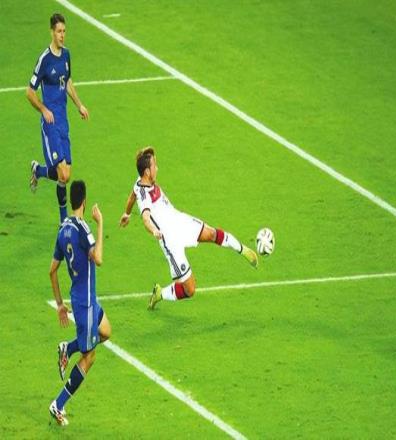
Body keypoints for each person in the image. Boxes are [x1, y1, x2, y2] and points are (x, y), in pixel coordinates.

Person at [119, 147, 258, 309]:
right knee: (190, 290)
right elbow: (145, 218)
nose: (157, 168)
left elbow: (131, 196)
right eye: (154, 166)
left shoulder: (140, 180)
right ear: (147, 172)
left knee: (212, 234)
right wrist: (154, 230)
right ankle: (160, 294)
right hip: (171, 241)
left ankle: (243, 250)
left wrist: (127, 213)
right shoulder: (144, 196)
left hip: (180, 222)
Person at [48, 180, 111, 425]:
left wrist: (60, 304)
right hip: (85, 305)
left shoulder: (63, 228)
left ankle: (68, 348)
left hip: (82, 298)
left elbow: (52, 270)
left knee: (106, 331)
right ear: (84, 201)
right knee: (90, 356)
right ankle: (58, 404)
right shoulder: (84, 228)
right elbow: (99, 259)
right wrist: (100, 222)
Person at [27, 13, 89, 223]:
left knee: (66, 175)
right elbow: (29, 92)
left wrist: (79, 104)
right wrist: (43, 109)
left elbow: (68, 81)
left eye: (64, 31)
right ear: (52, 32)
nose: (62, 35)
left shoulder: (66, 55)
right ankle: (64, 221)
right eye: (59, 31)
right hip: (50, 123)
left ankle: (38, 170)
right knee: (62, 174)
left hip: (63, 121)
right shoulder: (44, 60)